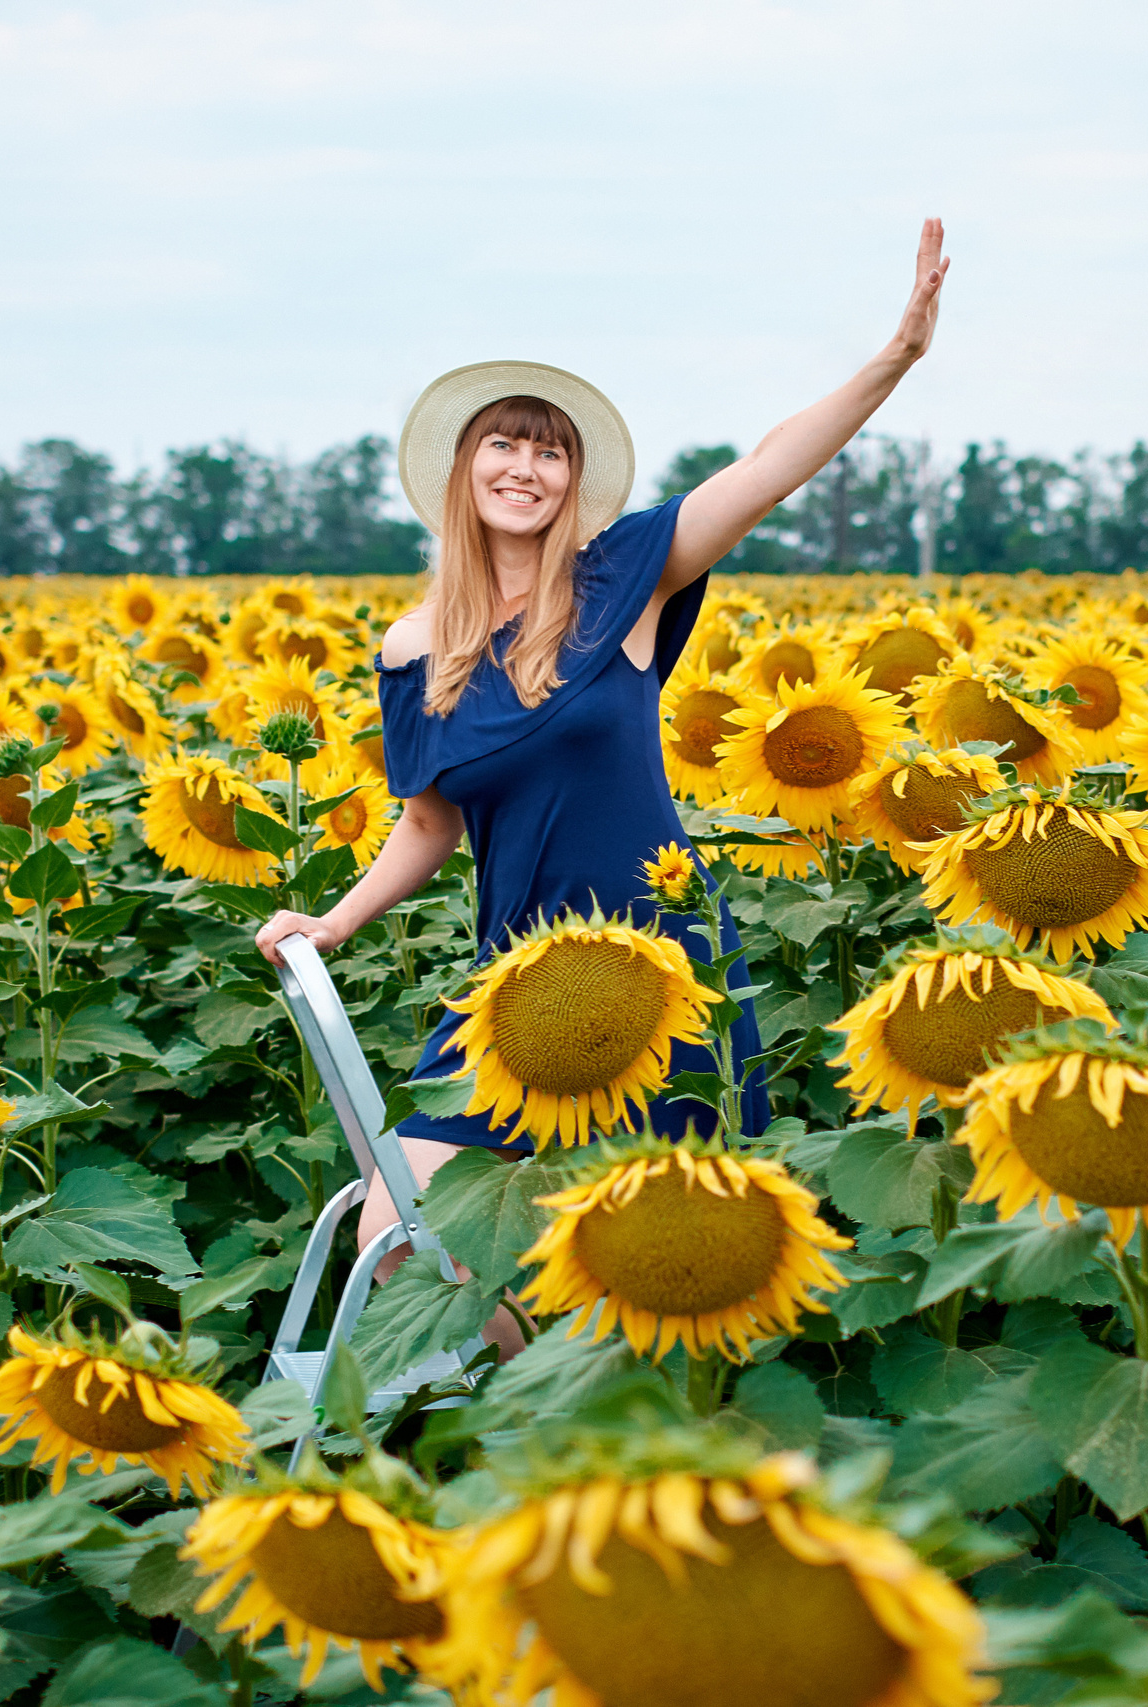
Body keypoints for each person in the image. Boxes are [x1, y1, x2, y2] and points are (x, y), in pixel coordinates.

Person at [254, 218, 953, 1299]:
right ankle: (526, 1423)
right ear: (463, 465)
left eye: (548, 450)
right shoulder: (411, 650)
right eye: (504, 443)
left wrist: (893, 358)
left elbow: (765, 470)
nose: (524, 467)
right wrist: (334, 921)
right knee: (403, 1235)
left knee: (662, 1255)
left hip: (661, 961)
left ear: (572, 478)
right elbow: (430, 824)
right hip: (519, 983)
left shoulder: (626, 578)